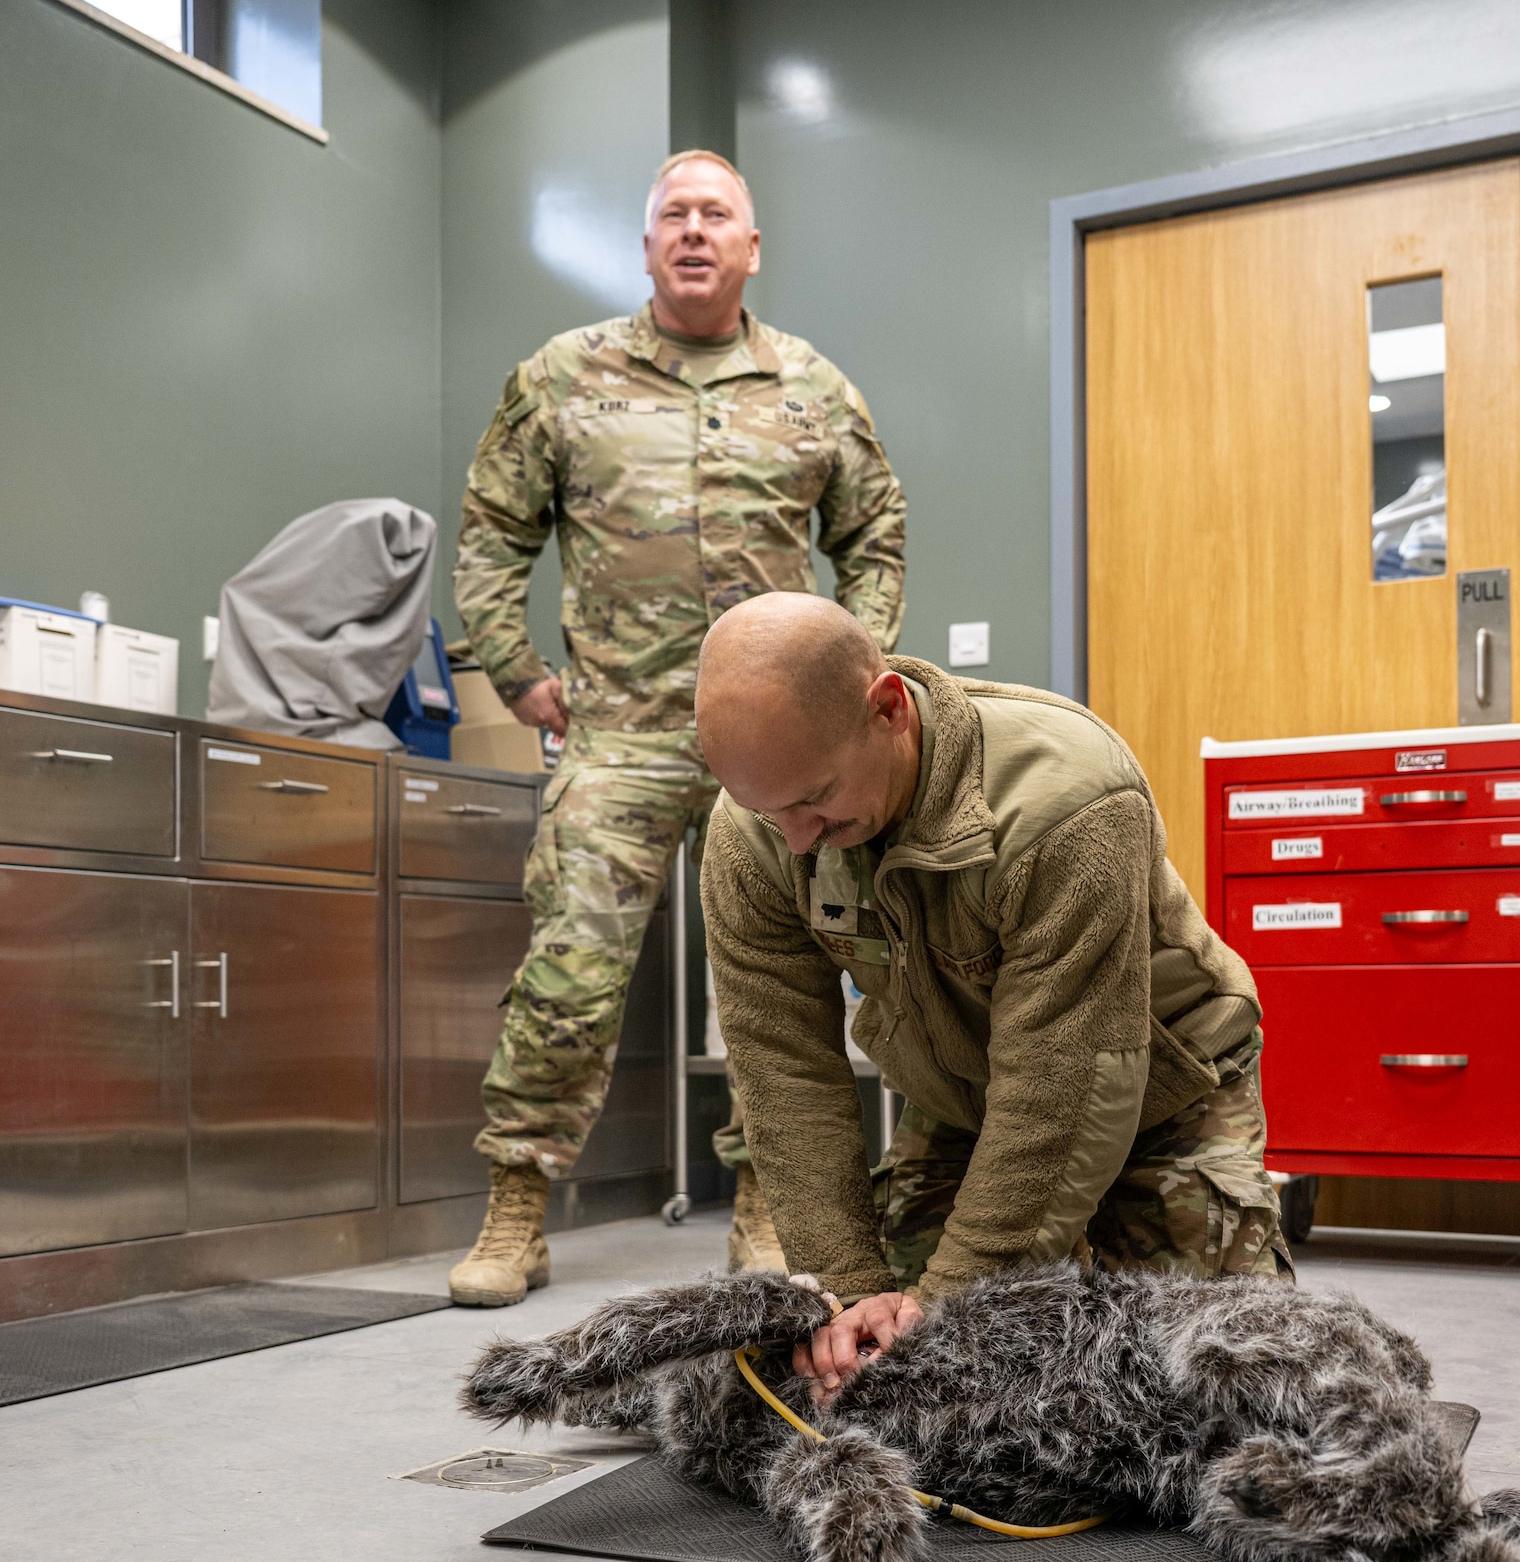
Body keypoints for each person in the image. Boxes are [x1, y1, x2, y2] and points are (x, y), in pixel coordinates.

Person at [447, 153, 906, 1306]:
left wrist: (849, 680)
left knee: (782, 973)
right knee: (572, 965)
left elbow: (877, 540)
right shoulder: (561, 378)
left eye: (717, 216)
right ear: (647, 246)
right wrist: (511, 667)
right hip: (622, 731)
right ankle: (515, 1205)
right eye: (673, 217)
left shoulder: (813, 387)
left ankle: (765, 1204)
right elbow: (492, 531)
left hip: (781, 747)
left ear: (752, 248)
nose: (694, 231)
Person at [694, 592, 1288, 1402]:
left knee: (1198, 1392)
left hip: (1162, 1086)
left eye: (813, 799)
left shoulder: (1066, 803)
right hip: (961, 1096)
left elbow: (1067, 1084)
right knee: (882, 1371)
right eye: (768, 807)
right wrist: (841, 1289)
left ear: (887, 709)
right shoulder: (753, 831)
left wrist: (949, 1300)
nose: (795, 836)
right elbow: (782, 1069)